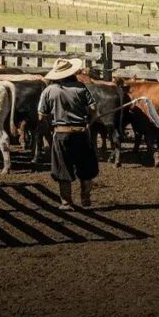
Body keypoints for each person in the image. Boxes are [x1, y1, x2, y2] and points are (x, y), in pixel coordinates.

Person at [37, 58, 98, 210]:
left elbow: (41, 116)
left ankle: (66, 202)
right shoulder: (81, 88)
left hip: (61, 133)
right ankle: (85, 197)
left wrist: (51, 126)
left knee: (62, 168)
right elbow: (93, 109)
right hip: (81, 133)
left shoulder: (49, 90)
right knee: (85, 167)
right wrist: (90, 121)